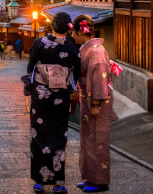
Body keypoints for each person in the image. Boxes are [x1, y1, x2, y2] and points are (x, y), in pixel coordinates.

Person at [27, 12, 79, 193]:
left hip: (41, 97)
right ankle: (58, 184)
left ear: (52, 26)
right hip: (61, 98)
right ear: (68, 28)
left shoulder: (39, 43)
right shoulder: (73, 48)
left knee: (39, 135)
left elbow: (30, 67)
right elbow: (76, 73)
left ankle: (39, 182)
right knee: (58, 137)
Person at [71, 14, 116, 193]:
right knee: (88, 138)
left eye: (73, 32)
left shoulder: (95, 51)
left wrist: (96, 103)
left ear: (80, 31)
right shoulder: (88, 49)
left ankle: (100, 181)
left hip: (97, 101)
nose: (72, 36)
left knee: (98, 139)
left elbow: (99, 79)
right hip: (88, 98)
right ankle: (89, 176)